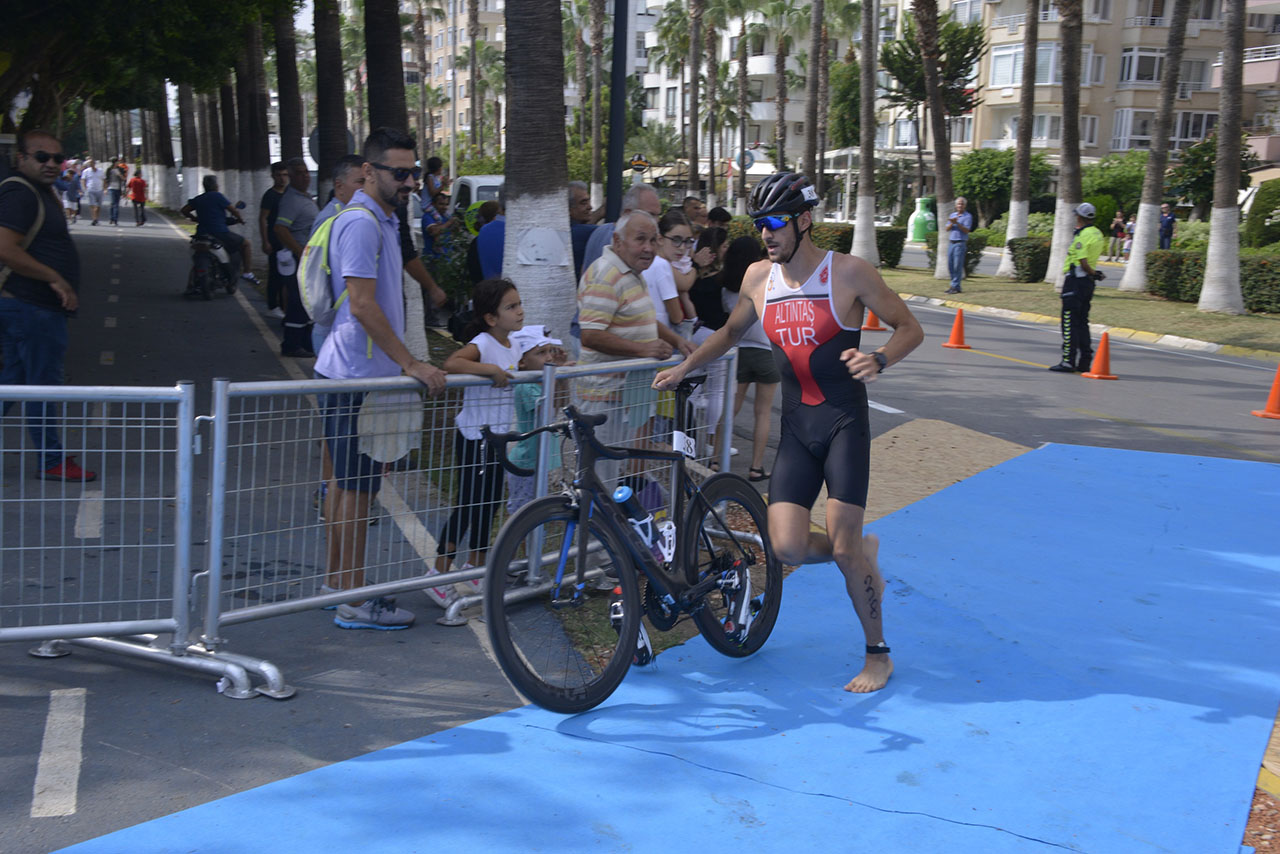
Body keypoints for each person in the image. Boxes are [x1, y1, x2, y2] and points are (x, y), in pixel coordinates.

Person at [654, 172, 924, 694]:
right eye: (760, 224)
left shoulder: (848, 272)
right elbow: (731, 333)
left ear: (804, 220)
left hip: (843, 424)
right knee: (787, 549)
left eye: (775, 222)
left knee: (843, 549)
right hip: (798, 428)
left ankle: (877, 652)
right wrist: (686, 366)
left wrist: (879, 359)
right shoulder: (759, 277)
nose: (767, 233)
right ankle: (859, 555)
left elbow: (910, 327)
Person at [315, 127, 447, 631]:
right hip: (357, 376)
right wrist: (411, 363)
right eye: (400, 172)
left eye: (413, 172)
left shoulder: (384, 220)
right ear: (369, 171)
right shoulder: (363, 223)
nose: (410, 181)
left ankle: (338, 585)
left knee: (350, 484)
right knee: (356, 488)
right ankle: (352, 597)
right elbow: (362, 304)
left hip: (358, 373)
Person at [0, 129, 96, 482]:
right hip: (31, 308)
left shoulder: (39, 191)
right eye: (42, 157)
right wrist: (54, 277)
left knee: (14, 382)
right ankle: (51, 460)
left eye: (58, 158)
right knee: (43, 385)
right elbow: (5, 248)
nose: (52, 163)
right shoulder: (20, 194)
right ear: (22, 158)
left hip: (30, 308)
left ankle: (51, 457)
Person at [435, 278, 526, 605]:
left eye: (519, 304)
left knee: (489, 503)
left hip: (497, 439)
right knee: (468, 504)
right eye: (511, 307)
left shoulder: (514, 344)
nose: (519, 311)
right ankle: (438, 574)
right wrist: (488, 370)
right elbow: (452, 363)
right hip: (475, 438)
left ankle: (476, 568)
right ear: (490, 317)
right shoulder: (483, 343)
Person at [576, 210, 681, 489]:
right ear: (617, 241)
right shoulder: (606, 274)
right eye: (640, 239)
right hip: (602, 397)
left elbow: (640, 317)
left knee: (613, 477)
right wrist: (643, 349)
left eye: (653, 240)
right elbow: (590, 335)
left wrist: (678, 341)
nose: (648, 248)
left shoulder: (631, 272)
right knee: (601, 480)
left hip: (623, 396)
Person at [719, 235, 778, 483]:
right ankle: (756, 467)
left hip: (738, 352)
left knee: (730, 408)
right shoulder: (767, 281)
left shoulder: (726, 287)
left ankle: (715, 459)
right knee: (763, 412)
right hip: (767, 352)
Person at [506, 325, 570, 515]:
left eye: (550, 351)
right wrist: (554, 376)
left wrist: (561, 377)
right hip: (526, 462)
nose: (549, 358)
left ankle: (534, 534)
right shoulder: (526, 386)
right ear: (522, 362)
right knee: (522, 512)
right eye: (541, 353)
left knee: (538, 510)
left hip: (540, 459)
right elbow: (546, 413)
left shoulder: (541, 383)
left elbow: (561, 402)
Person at [273, 157, 320, 357]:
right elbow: (280, 228)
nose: (305, 176)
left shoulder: (304, 197)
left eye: (306, 172)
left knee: (306, 301)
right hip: (298, 259)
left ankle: (306, 343)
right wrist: (300, 252)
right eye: (299, 173)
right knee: (298, 302)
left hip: (308, 259)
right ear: (291, 177)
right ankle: (292, 345)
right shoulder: (291, 200)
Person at [1050, 202, 1105, 374]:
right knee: (1082, 322)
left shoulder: (1082, 235)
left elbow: (1082, 261)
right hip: (1087, 283)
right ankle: (1085, 361)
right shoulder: (1097, 233)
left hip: (1075, 281)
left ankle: (1068, 361)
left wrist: (1093, 272)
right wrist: (1095, 275)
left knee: (1069, 322)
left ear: (1080, 216)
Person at [180, 175, 258, 286]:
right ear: (216, 186)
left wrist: (194, 218)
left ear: (204, 186)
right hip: (220, 233)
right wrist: (240, 219)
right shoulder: (218, 196)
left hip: (201, 235)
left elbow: (184, 210)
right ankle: (247, 273)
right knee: (246, 244)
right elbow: (233, 210)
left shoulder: (199, 199)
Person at [581, 182, 662, 273]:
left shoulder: (599, 231)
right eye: (650, 215)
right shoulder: (622, 243)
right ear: (628, 213)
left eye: (658, 215)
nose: (657, 221)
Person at [260, 162, 289, 317]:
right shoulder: (270, 195)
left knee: (287, 275)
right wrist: (265, 241)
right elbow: (262, 218)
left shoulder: (290, 193)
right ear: (273, 176)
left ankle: (285, 306)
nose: (282, 178)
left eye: (285, 175)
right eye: (279, 175)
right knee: (275, 274)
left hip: (288, 239)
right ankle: (272, 306)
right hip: (274, 239)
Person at [568, 181, 598, 280]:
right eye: (583, 203)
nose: (590, 207)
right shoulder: (577, 233)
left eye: (589, 202)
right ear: (569, 209)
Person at [944, 196, 974, 295]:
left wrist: (957, 223)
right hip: (951, 242)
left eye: (962, 204)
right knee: (951, 265)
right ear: (956, 205)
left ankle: (956, 286)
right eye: (958, 204)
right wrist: (952, 223)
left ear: (964, 205)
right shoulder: (953, 215)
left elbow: (966, 230)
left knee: (957, 265)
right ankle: (953, 285)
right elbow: (947, 229)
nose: (960, 205)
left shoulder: (967, 216)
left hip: (960, 243)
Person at [79, 158, 103, 225]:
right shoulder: (86, 171)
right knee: (92, 205)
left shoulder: (100, 171)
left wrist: (105, 189)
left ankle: (96, 218)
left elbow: (104, 179)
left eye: (92, 163)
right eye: (90, 163)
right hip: (90, 190)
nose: (91, 164)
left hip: (99, 190)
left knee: (98, 206)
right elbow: (83, 180)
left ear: (94, 164)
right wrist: (85, 188)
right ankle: (94, 219)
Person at [105, 159, 126, 226]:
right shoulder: (109, 169)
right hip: (111, 188)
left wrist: (119, 175)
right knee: (113, 203)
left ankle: (115, 220)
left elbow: (124, 179)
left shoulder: (120, 169)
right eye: (117, 162)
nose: (118, 163)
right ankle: (111, 218)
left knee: (116, 204)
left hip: (118, 188)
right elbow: (106, 179)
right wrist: (105, 189)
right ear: (114, 162)